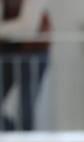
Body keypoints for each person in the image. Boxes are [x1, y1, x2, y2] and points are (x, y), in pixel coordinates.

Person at [0, 0, 51, 131]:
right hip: (6, 55)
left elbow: (28, 29)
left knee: (25, 107)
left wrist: (4, 29)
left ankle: (24, 138)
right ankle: (12, 131)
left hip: (33, 56)